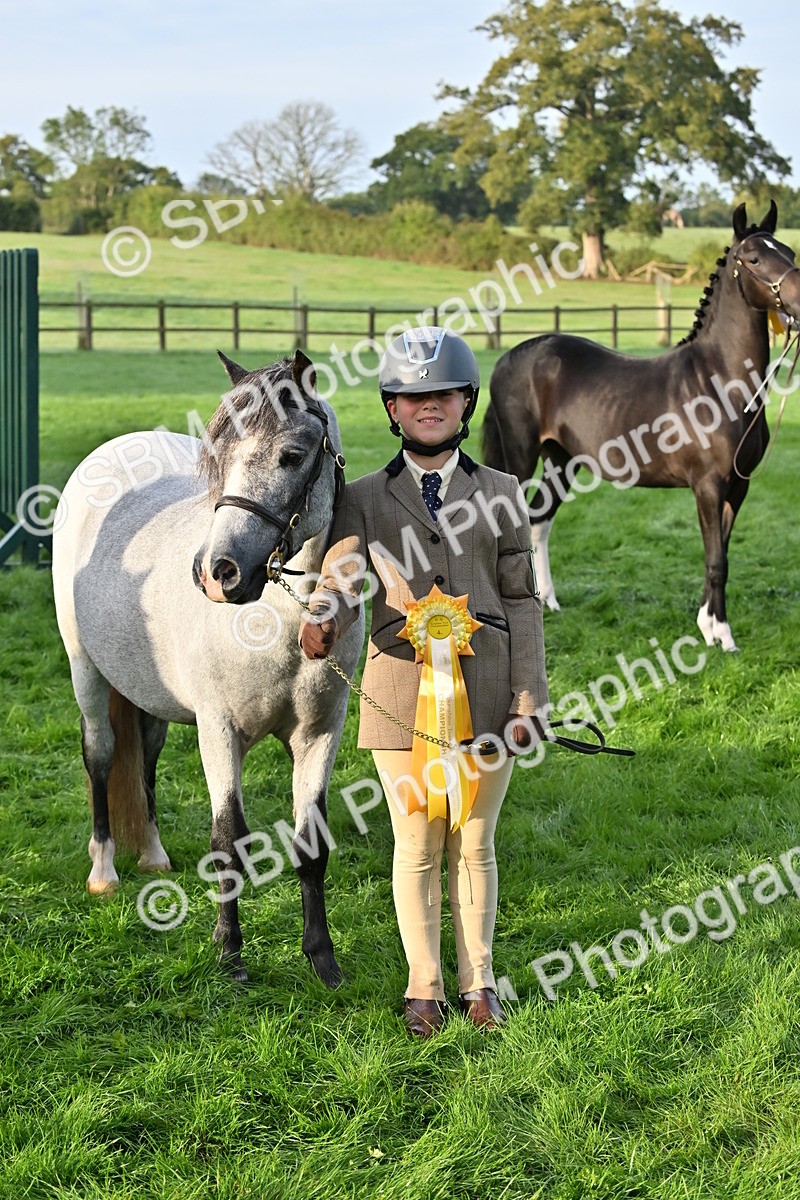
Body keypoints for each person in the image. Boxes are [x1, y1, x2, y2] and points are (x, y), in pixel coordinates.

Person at [299, 327, 549, 1037]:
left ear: (467, 402)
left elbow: (523, 600)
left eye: (443, 393)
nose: (428, 405)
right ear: (392, 408)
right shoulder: (360, 498)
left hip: (490, 696)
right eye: (413, 397)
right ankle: (424, 986)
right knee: (415, 843)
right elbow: (341, 575)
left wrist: (529, 699)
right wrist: (321, 615)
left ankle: (480, 982)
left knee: (475, 842)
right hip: (400, 699)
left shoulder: (504, 491)